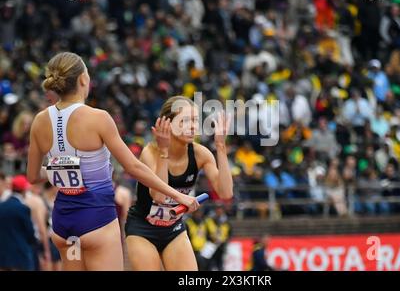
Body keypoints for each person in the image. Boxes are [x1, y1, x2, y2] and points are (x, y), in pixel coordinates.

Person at [27, 52, 199, 271]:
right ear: (83, 80)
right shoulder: (98, 118)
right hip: (96, 219)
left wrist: (57, 168)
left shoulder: (40, 121)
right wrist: (178, 194)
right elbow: (133, 167)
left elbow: (33, 176)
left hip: (64, 224)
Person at [125, 95, 233, 271]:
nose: (192, 126)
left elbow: (226, 193)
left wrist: (221, 147)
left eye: (195, 121)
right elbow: (159, 196)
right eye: (184, 121)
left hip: (173, 228)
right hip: (143, 228)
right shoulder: (150, 152)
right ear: (168, 123)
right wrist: (164, 151)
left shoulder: (200, 154)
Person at [0, 175, 37, 271]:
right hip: (20, 255)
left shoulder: (2, 206)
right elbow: (30, 233)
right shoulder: (22, 208)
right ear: (24, 190)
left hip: (3, 255)